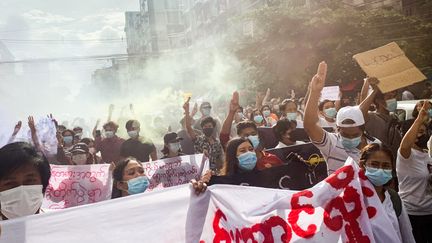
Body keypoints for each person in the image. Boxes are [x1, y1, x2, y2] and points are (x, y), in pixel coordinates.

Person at [304, 62, 380, 175]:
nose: (350, 138)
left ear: (363, 129)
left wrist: (375, 90)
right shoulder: (332, 143)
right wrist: (315, 92)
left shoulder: (376, 145)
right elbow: (310, 126)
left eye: (354, 135)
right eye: (345, 135)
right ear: (338, 129)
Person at [359, 143, 416, 243]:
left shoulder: (394, 199)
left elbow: (406, 234)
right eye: (374, 164)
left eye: (386, 166)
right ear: (362, 165)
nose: (380, 170)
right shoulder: (352, 198)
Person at [397, 100, 432, 243]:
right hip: (411, 214)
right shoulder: (406, 155)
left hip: (429, 213)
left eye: (423, 132)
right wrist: (419, 119)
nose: (420, 135)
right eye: (417, 132)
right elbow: (405, 145)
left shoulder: (428, 154)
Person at [0, 142, 51, 220]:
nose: (21, 190)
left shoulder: (64, 225)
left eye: (29, 181)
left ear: (43, 185)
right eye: (10, 183)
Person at [360, 78, 402, 158]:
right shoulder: (371, 117)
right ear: (379, 100)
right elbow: (361, 109)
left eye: (394, 97)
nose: (394, 100)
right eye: (389, 97)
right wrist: (374, 88)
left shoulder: (394, 118)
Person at [184, 98, 224, 172]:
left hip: (214, 173)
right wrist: (187, 112)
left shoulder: (217, 143)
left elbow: (219, 160)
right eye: (205, 127)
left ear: (213, 128)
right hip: (200, 172)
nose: (207, 128)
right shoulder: (198, 140)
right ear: (202, 128)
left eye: (209, 126)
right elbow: (189, 128)